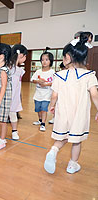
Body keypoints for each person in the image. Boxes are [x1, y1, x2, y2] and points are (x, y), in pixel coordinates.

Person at [44, 35, 98, 174]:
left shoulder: (59, 75)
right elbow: (94, 94)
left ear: (67, 57)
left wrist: (52, 106)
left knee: (62, 137)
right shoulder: (89, 75)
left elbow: (54, 95)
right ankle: (72, 165)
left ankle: (53, 151)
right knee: (76, 141)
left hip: (63, 113)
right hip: (79, 114)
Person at [31, 48, 55, 131]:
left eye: (46, 60)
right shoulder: (38, 71)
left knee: (44, 109)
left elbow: (54, 82)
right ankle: (40, 120)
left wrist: (45, 84)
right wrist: (38, 81)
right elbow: (32, 80)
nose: (44, 61)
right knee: (38, 109)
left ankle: (43, 124)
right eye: (42, 60)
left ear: (50, 61)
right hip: (38, 95)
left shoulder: (52, 72)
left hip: (47, 95)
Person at [7, 44, 27, 140]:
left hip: (15, 96)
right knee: (0, 115)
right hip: (6, 95)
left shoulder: (20, 70)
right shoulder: (8, 68)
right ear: (21, 55)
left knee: (13, 113)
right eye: (25, 56)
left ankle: (14, 131)